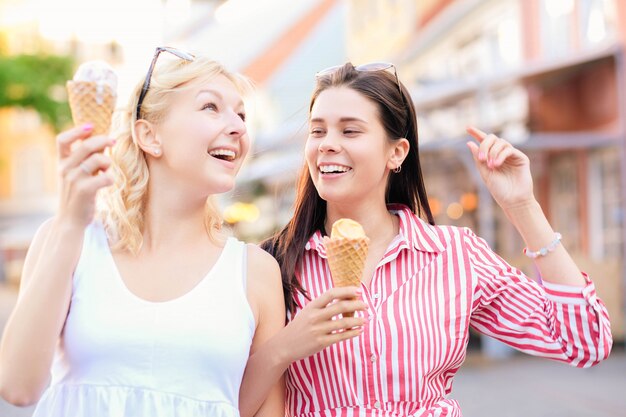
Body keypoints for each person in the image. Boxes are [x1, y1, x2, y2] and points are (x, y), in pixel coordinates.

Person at [0, 48, 362, 417]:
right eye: (210, 107)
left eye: (241, 114)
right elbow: (18, 387)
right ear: (149, 135)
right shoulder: (70, 240)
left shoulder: (255, 272)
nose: (238, 127)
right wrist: (70, 224)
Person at [254, 62, 613, 417]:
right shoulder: (272, 264)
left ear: (396, 153)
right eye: (318, 131)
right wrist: (285, 347)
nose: (328, 145)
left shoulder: (455, 255)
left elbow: (585, 343)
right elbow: (230, 397)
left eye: (350, 131)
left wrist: (522, 206)